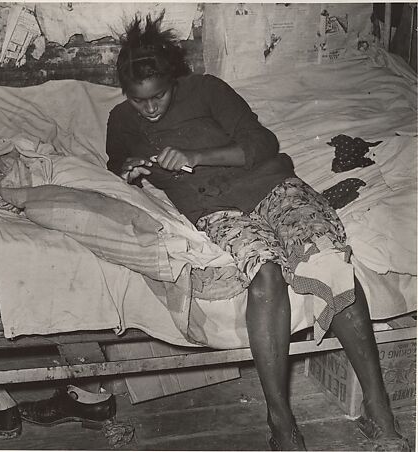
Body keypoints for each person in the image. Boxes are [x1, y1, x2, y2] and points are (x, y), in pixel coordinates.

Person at [105, 12, 409, 451]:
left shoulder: (208, 89)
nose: (150, 109)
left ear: (173, 79)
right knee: (265, 275)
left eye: (158, 97)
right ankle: (281, 421)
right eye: (139, 100)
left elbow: (262, 145)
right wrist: (129, 169)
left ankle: (378, 410)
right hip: (213, 206)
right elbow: (115, 160)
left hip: (271, 183)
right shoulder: (123, 120)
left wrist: (196, 154)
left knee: (329, 263)